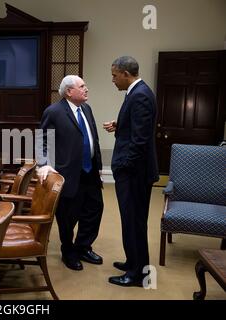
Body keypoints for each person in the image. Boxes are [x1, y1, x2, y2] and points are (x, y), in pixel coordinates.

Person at [37, 75, 104, 271]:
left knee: (94, 210)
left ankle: (83, 247)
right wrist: (43, 164)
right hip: (68, 173)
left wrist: (98, 166)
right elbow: (42, 141)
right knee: (68, 216)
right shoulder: (54, 112)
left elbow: (93, 139)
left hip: (90, 170)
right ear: (69, 91)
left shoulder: (87, 109)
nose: (86, 89)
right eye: (82, 86)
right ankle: (68, 251)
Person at [104, 56, 158, 287]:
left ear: (126, 74)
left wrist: (123, 166)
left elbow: (140, 140)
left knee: (134, 222)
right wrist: (120, 125)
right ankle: (133, 262)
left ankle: (137, 275)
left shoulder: (140, 96)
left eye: (115, 75)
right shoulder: (137, 93)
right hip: (133, 171)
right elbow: (137, 127)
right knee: (131, 221)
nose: (113, 80)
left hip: (134, 173)